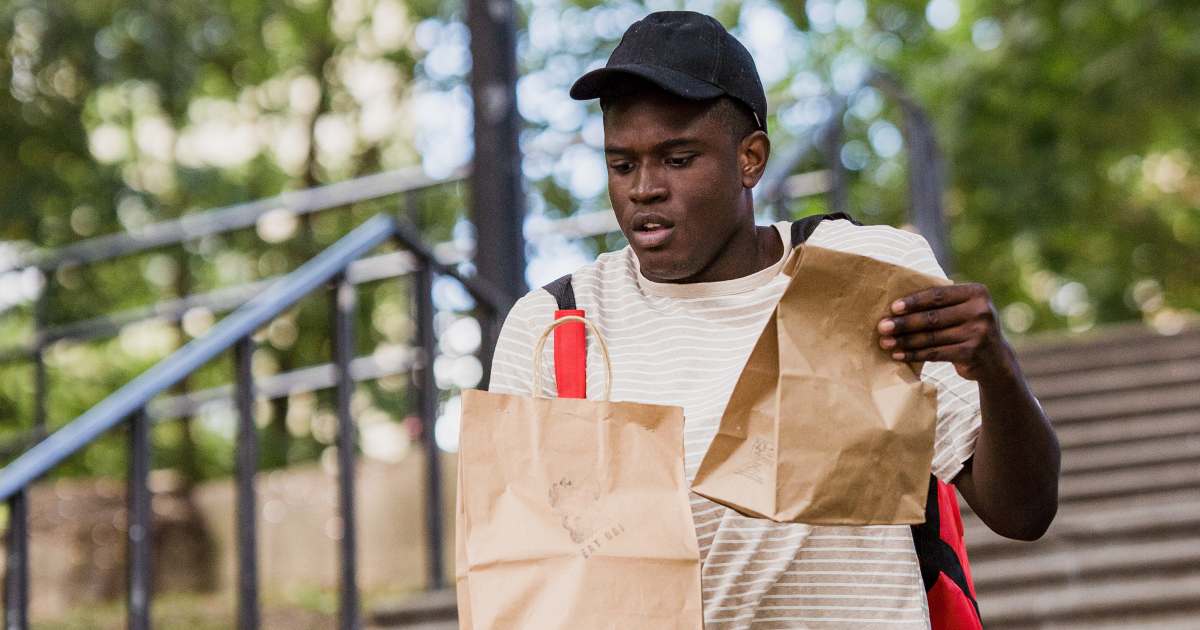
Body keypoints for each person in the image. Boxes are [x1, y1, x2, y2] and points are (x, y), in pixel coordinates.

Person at [487, 11, 1060, 629]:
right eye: (621, 165)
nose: (643, 189)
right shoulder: (553, 325)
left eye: (678, 159)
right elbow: (525, 588)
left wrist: (994, 368)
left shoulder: (861, 269)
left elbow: (1022, 512)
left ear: (750, 159)